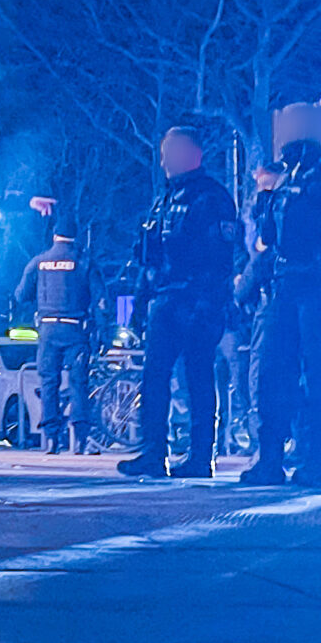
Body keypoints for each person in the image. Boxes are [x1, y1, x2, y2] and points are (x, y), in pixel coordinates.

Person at [246, 99, 321, 486]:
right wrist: (267, 197)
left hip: (318, 286)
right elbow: (266, 236)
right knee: (272, 373)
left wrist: (297, 200)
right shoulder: (286, 177)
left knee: (317, 374)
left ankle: (316, 458)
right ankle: (270, 458)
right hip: (283, 285)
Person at [122, 125, 243, 478]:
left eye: (172, 153)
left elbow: (220, 259)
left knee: (198, 377)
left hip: (196, 301)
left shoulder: (211, 198)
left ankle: (201, 456)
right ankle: (152, 453)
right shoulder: (164, 200)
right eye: (163, 154)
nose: (165, 162)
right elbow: (150, 259)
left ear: (194, 154)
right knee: (154, 377)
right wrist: (140, 305)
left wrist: (207, 303)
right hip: (164, 299)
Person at [14, 205, 95, 455]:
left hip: (48, 329)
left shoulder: (39, 262)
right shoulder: (83, 261)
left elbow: (21, 295)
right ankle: (80, 440)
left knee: (49, 382)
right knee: (79, 382)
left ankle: (50, 439)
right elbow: (100, 299)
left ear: (54, 235)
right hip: (76, 330)